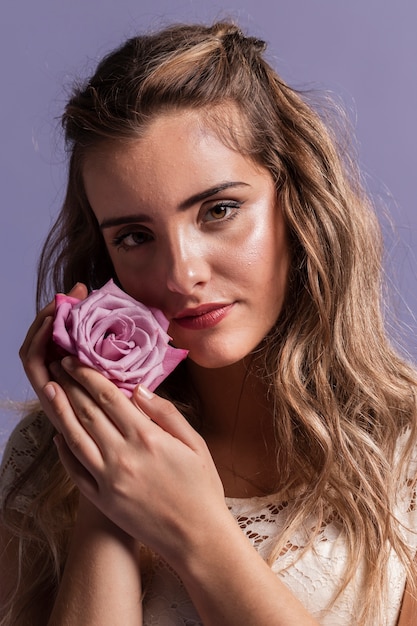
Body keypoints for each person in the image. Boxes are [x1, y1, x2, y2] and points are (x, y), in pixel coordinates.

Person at [0, 20, 416, 626]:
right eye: (135, 236)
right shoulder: (46, 455)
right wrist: (106, 482)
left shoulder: (403, 454)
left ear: (297, 205)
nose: (181, 273)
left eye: (219, 210)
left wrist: (199, 534)